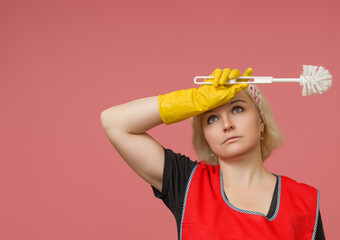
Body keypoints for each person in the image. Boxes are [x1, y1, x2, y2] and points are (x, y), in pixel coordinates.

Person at [101, 68, 326, 240]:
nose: (226, 124)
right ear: (205, 137)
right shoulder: (188, 183)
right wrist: (194, 100)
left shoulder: (304, 203)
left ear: (261, 121)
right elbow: (115, 123)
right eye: (212, 118)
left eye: (237, 109)